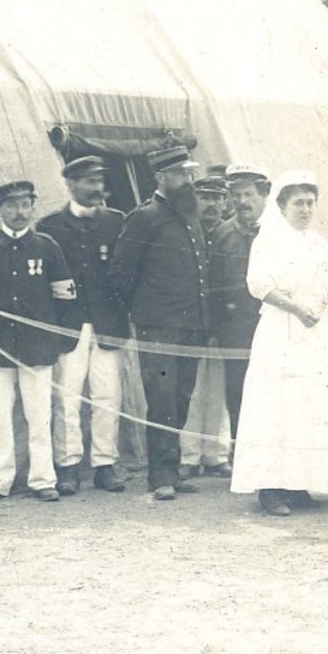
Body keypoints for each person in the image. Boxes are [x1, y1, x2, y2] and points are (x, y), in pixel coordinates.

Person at [229, 171, 328, 516]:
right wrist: (297, 308)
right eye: (298, 203)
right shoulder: (268, 240)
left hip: (316, 334)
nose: (306, 209)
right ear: (281, 206)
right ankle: (271, 489)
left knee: (310, 406)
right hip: (283, 331)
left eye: (310, 202)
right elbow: (259, 284)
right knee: (278, 407)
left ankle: (299, 483)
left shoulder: (318, 242)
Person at [0, 180, 77, 504]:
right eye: (12, 206)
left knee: (40, 415)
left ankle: (42, 479)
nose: (19, 212)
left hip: (39, 347)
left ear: (33, 208)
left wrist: (61, 340)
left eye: (25, 205)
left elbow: (65, 294)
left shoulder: (47, 246)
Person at [108, 144, 209, 502]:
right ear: (160, 177)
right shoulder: (145, 217)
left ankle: (173, 470)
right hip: (158, 329)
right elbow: (120, 275)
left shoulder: (190, 215)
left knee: (181, 398)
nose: (188, 179)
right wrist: (144, 313)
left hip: (191, 326)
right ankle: (161, 477)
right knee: (162, 400)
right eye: (180, 173)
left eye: (190, 172)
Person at [37, 156, 127, 494]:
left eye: (99, 181)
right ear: (71, 184)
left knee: (108, 396)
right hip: (69, 326)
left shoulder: (117, 223)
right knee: (67, 398)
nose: (97, 189)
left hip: (108, 324)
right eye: (89, 182)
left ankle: (105, 464)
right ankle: (69, 466)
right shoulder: (50, 228)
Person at [207, 164, 270, 472]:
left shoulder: (277, 231)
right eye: (236, 194)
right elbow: (213, 285)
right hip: (237, 330)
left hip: (273, 328)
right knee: (239, 393)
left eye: (249, 194)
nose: (242, 201)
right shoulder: (222, 234)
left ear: (264, 195)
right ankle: (243, 459)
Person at [179, 171, 233, 479]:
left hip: (223, 324)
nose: (210, 205)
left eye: (216, 198)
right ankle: (189, 455)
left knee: (220, 391)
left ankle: (216, 453)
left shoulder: (230, 234)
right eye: (204, 198)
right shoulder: (187, 232)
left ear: (225, 202)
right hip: (192, 322)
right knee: (193, 390)